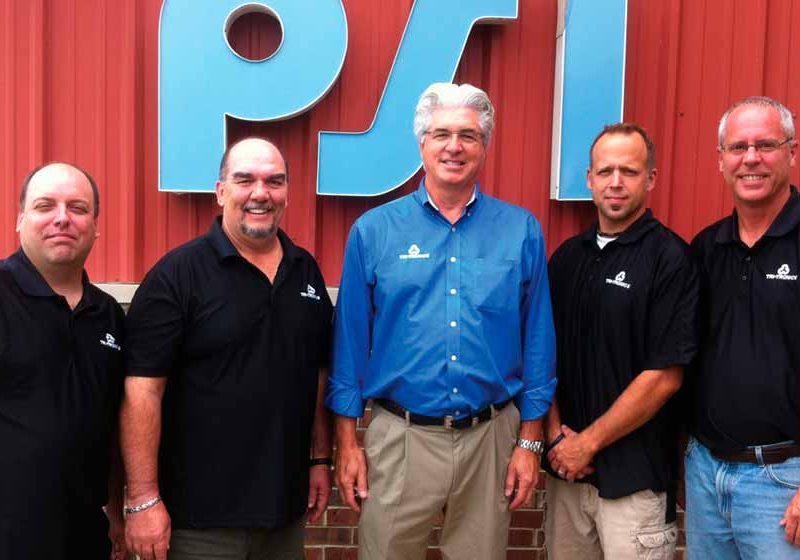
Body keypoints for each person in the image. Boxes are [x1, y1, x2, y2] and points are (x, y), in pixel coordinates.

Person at [326, 82, 556, 560]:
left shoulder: (520, 230)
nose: (455, 147)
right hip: (400, 438)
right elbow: (348, 346)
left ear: (485, 146)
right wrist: (347, 444)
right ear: (422, 143)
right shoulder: (374, 230)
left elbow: (538, 342)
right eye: (442, 134)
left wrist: (530, 443)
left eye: (469, 136)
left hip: (490, 439)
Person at [120, 137, 333, 560]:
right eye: (244, 180)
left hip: (283, 516)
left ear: (287, 193)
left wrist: (319, 460)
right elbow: (142, 392)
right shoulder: (177, 276)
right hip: (199, 523)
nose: (260, 193)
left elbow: (317, 372)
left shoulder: (304, 270)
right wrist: (143, 498)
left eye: (274, 181)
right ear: (220, 192)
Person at [545, 123, 699, 559]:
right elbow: (542, 359)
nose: (616, 182)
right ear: (589, 179)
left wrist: (585, 444)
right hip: (568, 477)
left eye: (629, 171)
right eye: (605, 170)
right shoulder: (567, 259)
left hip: (635, 483)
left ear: (650, 179)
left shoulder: (671, 260)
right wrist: (556, 438)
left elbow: (665, 376)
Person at [686, 96, 800, 558]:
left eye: (765, 145)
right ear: (721, 161)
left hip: (784, 479)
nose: (751, 158)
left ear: (791, 152)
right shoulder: (706, 248)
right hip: (707, 473)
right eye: (738, 147)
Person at [0, 163, 126, 559]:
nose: (62, 218)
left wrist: (117, 514)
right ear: (21, 220)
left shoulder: (108, 316)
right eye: (45, 206)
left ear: (95, 225)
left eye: (77, 207)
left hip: (86, 537)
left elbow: (110, 428)